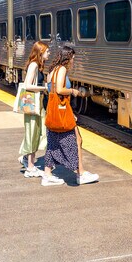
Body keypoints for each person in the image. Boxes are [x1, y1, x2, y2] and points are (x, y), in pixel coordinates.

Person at [41, 46, 99, 187]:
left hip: (54, 112)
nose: (73, 60)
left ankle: (47, 175)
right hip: (61, 112)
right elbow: (60, 90)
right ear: (67, 57)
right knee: (76, 140)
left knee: (53, 144)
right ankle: (80, 173)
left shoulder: (52, 71)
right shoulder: (61, 69)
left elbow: (51, 92)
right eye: (72, 57)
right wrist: (73, 91)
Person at [18, 41, 50, 178]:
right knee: (32, 131)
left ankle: (27, 159)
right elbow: (28, 85)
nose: (49, 53)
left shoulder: (38, 66)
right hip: (33, 104)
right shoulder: (33, 65)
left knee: (37, 132)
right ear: (41, 52)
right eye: (47, 51)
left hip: (38, 104)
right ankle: (30, 167)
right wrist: (44, 88)